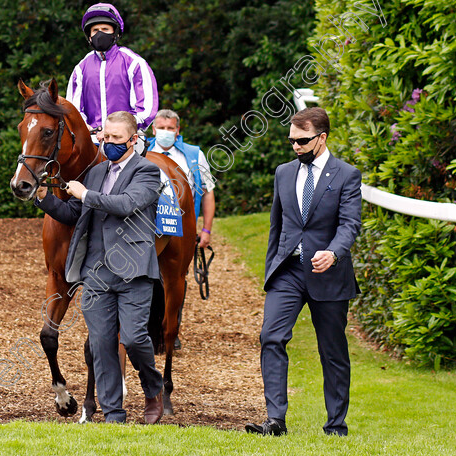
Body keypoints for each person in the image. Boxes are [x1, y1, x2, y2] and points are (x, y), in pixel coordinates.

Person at [34, 111, 164, 424]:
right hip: (96, 272)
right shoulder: (95, 173)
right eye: (105, 137)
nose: (109, 143)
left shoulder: (147, 172)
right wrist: (44, 199)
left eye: (117, 138)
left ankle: (152, 388)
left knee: (133, 339)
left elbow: (126, 205)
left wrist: (87, 194)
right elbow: (72, 213)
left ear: (133, 140)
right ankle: (114, 415)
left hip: (134, 270)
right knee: (102, 343)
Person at [245, 107, 362, 437]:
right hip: (288, 272)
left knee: (332, 352)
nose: (296, 147)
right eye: (292, 141)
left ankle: (336, 425)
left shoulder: (346, 175)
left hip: (328, 273)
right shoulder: (283, 173)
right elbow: (276, 225)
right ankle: (275, 420)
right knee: (271, 337)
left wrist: (334, 253)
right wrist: (271, 268)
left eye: (303, 141)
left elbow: (350, 224)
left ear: (322, 138)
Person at [146, 109, 216, 350]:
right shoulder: (142, 151)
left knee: (176, 279)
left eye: (170, 128)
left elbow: (207, 193)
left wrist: (205, 230)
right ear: (153, 129)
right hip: (149, 226)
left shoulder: (195, 156)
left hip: (183, 228)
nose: (165, 132)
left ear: (178, 130)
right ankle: (151, 332)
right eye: (161, 127)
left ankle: (171, 329)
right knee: (150, 278)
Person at [66, 3, 158, 147]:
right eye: (95, 30)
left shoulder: (134, 63)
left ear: (115, 33)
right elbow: (73, 109)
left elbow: (146, 109)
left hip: (128, 141)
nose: (99, 33)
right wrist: (84, 126)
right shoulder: (80, 69)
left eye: (105, 29)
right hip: (91, 141)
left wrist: (115, 130)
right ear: (89, 36)